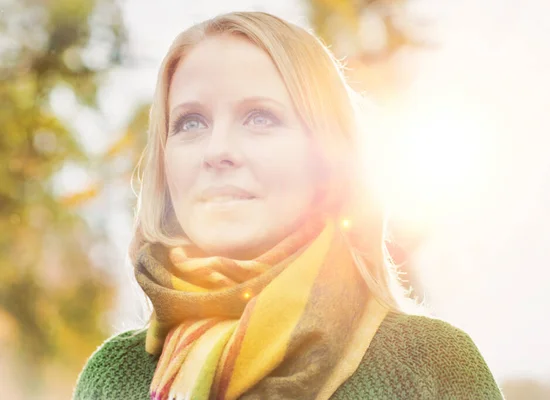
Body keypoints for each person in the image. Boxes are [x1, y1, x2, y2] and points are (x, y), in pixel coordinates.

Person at [73, 11, 504, 400]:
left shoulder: (432, 367)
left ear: (327, 156)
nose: (217, 149)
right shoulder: (113, 377)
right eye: (191, 122)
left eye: (260, 117)